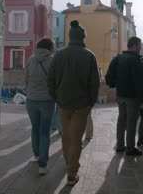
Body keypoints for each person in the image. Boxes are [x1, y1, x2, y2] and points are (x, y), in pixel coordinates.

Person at [48, 20, 100, 186]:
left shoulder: (59, 55)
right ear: (83, 37)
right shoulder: (89, 55)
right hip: (81, 104)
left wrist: (56, 97)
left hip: (63, 103)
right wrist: (91, 101)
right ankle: (72, 173)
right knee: (76, 138)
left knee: (67, 136)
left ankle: (69, 162)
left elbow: (51, 79)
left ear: (70, 36)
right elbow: (95, 82)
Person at [108, 36, 143, 156]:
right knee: (131, 123)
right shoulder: (135, 60)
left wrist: (115, 85)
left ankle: (119, 146)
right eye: (139, 46)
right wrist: (142, 99)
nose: (140, 48)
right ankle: (130, 148)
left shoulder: (118, 58)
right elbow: (139, 81)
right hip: (132, 97)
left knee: (121, 120)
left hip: (120, 95)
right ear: (134, 46)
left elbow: (109, 76)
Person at [25, 38, 56, 175]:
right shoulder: (53, 60)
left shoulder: (31, 59)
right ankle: (42, 165)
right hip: (47, 100)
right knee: (44, 131)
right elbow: (56, 80)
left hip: (31, 100)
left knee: (35, 128)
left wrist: (31, 92)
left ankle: (36, 155)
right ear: (50, 47)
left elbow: (26, 79)